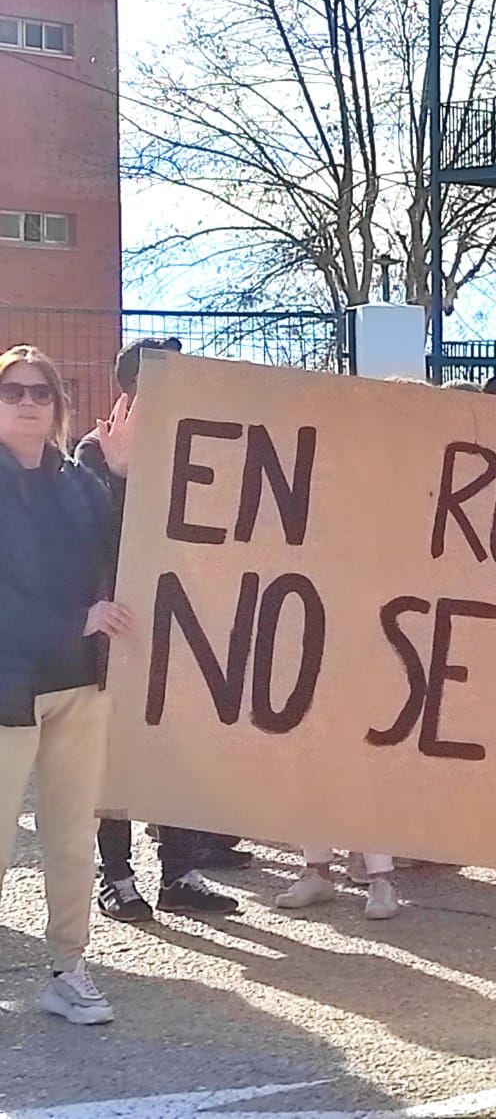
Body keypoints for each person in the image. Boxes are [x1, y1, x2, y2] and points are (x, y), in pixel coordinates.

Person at [77, 338, 240, 922]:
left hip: (180, 625)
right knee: (117, 753)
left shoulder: (196, 446)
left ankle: (180, 872)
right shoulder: (96, 453)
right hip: (119, 632)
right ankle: (116, 875)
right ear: (134, 388)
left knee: (180, 752)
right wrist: (121, 473)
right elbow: (92, 537)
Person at [0, 345, 132, 1025]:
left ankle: (68, 968)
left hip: (80, 686)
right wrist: (73, 620)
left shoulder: (81, 483)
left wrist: (119, 475)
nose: (27, 402)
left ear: (57, 406)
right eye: (13, 391)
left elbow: (123, 552)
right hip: (7, 690)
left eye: (41, 392)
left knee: (73, 836)